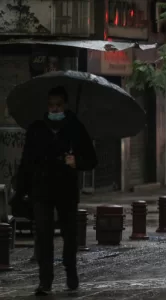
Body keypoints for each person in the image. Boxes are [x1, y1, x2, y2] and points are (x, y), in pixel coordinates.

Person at [12, 86, 97, 296]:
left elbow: (92, 159)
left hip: (66, 190)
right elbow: (27, 162)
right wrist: (20, 190)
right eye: (51, 105)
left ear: (65, 105)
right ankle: (45, 281)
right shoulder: (37, 129)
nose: (54, 108)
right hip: (41, 190)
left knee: (69, 234)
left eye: (58, 105)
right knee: (43, 234)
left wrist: (76, 161)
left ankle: (70, 270)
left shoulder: (75, 128)